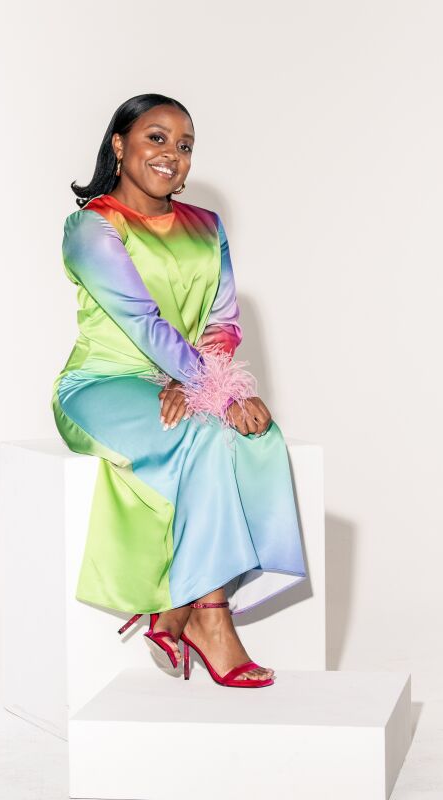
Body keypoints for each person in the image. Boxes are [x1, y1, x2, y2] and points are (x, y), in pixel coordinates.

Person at [51, 93, 307, 688]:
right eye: (157, 138)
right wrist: (211, 392)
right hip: (101, 384)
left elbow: (222, 320)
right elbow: (140, 320)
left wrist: (200, 384)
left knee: (259, 436)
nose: (173, 155)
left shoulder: (205, 227)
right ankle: (210, 620)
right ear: (120, 145)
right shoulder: (92, 225)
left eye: (185, 146)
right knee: (209, 435)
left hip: (181, 378)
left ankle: (178, 611)